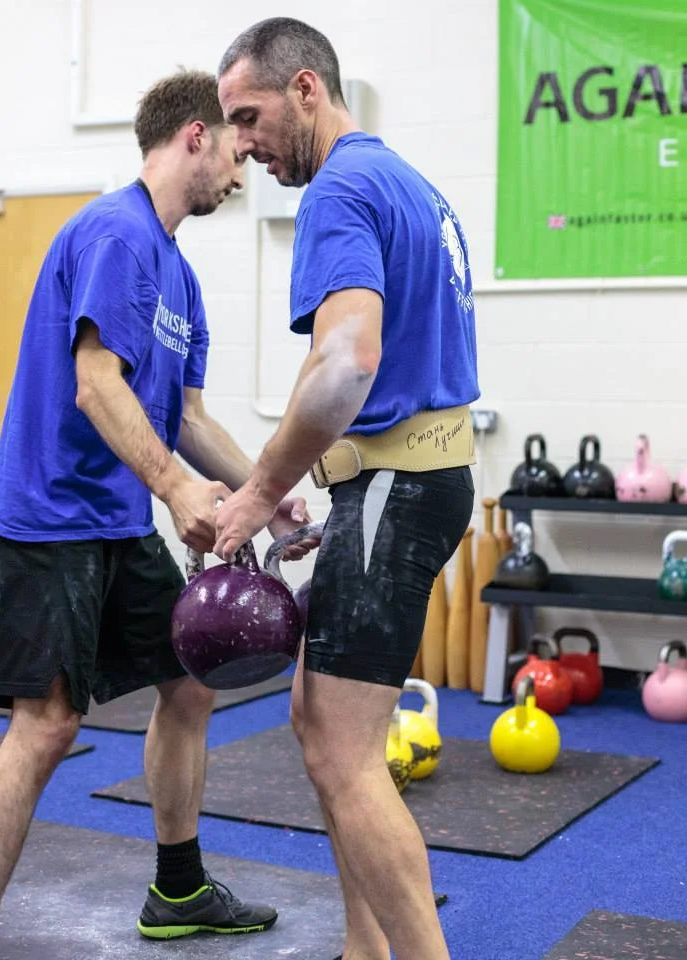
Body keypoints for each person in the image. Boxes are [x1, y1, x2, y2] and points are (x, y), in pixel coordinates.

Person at [0, 69, 312, 960]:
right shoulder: (117, 234)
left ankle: (178, 889)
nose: (244, 168)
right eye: (235, 150)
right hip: (47, 522)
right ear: (195, 136)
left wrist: (264, 497)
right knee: (46, 727)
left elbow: (187, 419)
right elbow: (96, 383)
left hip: (114, 522)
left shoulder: (179, 275)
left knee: (188, 683)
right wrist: (177, 490)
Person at [216, 19, 480, 960]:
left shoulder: (338, 189)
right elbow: (364, 366)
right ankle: (363, 949)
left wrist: (257, 490)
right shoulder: (407, 183)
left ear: (306, 89)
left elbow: (345, 366)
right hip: (403, 484)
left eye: (249, 116)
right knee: (318, 725)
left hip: (397, 491)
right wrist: (328, 489)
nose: (242, 143)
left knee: (343, 753)